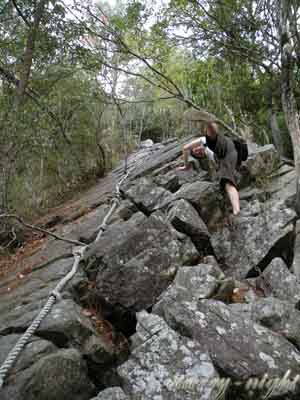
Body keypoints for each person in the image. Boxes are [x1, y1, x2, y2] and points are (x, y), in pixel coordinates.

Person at [178, 109, 240, 216]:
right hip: (227, 155)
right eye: (197, 154)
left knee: (227, 182)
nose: (197, 151)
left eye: (196, 150)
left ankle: (236, 210)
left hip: (225, 148)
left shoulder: (202, 140)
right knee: (223, 180)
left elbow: (185, 148)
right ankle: (208, 122)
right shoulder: (208, 154)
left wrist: (186, 165)